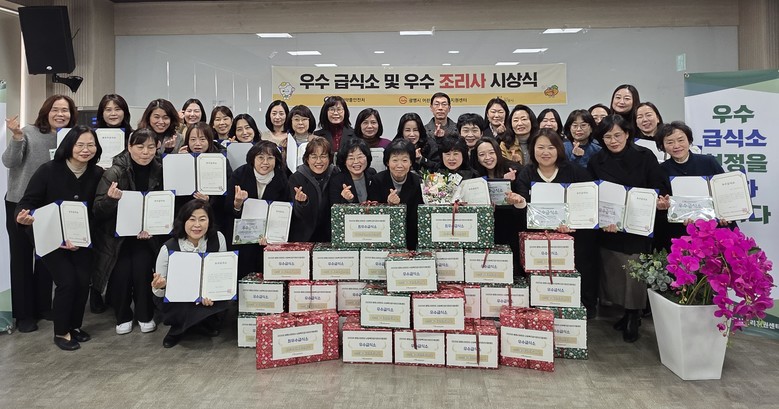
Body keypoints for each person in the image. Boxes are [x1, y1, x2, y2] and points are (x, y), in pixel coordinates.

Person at [15, 126, 104, 350]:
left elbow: (98, 211)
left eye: (91, 145)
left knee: (82, 282)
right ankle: (61, 331)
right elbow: (27, 202)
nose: (85, 149)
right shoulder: (48, 170)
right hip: (52, 239)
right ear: (69, 146)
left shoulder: (97, 174)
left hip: (82, 240)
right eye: (80, 144)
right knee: (67, 282)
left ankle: (74, 326)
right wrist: (23, 217)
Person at [587, 115, 670, 343]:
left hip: (638, 224)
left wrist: (657, 201)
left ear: (627, 134)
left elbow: (659, 185)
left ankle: (634, 314)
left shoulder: (645, 156)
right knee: (613, 269)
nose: (613, 141)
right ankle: (624, 311)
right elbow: (592, 192)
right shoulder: (596, 160)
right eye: (607, 136)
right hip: (610, 226)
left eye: (617, 135)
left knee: (634, 269)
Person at [3, 94, 75, 332]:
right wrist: (16, 136)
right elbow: (9, 162)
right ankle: (24, 314)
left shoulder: (70, 138)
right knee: (22, 259)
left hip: (50, 207)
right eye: (55, 109)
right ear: (46, 111)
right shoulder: (28, 132)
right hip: (20, 203)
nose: (60, 114)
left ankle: (44, 306)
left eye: (65, 110)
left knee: (46, 258)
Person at [516, 128, 599, 319]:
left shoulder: (575, 171)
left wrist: (572, 223)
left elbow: (587, 203)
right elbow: (522, 206)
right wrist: (519, 203)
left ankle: (580, 311)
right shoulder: (526, 173)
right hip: (540, 239)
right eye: (540, 147)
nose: (545, 152)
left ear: (559, 149)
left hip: (574, 236)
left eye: (551, 147)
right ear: (532, 149)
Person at [92, 128, 165, 336]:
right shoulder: (114, 172)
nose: (145, 152)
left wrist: (155, 227)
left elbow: (166, 205)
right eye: (140, 147)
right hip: (117, 237)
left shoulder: (161, 170)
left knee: (143, 270)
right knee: (121, 273)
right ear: (129, 147)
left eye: (151, 147)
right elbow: (97, 210)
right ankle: (123, 315)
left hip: (147, 236)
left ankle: (145, 314)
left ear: (157, 148)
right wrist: (110, 199)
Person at [152, 199, 231, 348]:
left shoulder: (218, 238)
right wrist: (160, 285)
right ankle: (176, 331)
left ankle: (202, 323)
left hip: (207, 294)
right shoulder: (168, 247)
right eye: (192, 219)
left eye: (202, 219)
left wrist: (211, 293)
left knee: (219, 302)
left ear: (209, 221)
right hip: (179, 298)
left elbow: (222, 273)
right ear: (183, 221)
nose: (197, 225)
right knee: (180, 305)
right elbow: (158, 292)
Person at [655, 121, 729, 247]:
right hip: (680, 231)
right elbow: (663, 202)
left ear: (689, 140)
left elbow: (724, 191)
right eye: (670, 142)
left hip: (713, 228)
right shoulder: (660, 170)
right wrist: (662, 205)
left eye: (681, 140)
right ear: (662, 146)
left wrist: (725, 214)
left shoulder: (708, 162)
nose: (676, 146)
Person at [226, 140, 290, 278]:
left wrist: (271, 235)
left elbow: (284, 211)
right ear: (253, 159)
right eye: (260, 157)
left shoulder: (281, 178)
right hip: (243, 237)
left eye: (270, 158)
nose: (265, 162)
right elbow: (227, 209)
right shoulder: (240, 174)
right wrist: (237, 204)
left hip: (268, 237)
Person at [472, 137, 526, 273]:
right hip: (486, 228)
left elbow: (523, 201)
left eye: (491, 152)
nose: (487, 158)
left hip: (511, 226)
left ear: (498, 152)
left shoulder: (514, 169)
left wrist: (510, 184)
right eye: (482, 154)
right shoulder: (475, 174)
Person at [367, 139, 424, 250]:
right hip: (383, 235)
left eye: (404, 160)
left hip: (410, 236)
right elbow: (371, 211)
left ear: (411, 162)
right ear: (387, 162)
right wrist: (387, 205)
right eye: (395, 160)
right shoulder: (377, 180)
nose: (399, 165)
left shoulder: (417, 181)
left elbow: (418, 214)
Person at [288, 136, 336, 242]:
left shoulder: (336, 174)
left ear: (330, 158)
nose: (318, 161)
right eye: (314, 157)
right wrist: (302, 203)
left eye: (323, 156)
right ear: (307, 159)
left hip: (331, 234)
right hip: (304, 236)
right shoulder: (296, 178)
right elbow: (297, 215)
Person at [330, 138, 376, 205]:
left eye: (360, 157)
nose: (356, 162)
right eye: (351, 158)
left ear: (367, 158)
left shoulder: (372, 173)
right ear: (344, 161)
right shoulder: (336, 181)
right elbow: (334, 208)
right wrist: (348, 200)